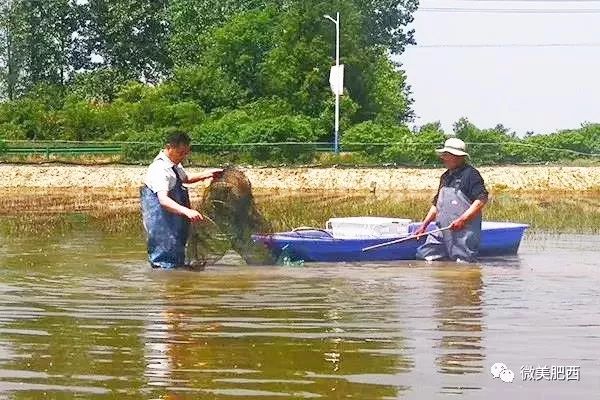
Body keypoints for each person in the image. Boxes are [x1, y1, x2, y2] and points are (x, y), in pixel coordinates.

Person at [140, 131, 222, 269]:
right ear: (169, 147)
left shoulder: (174, 164)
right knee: (164, 259)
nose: (183, 156)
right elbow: (164, 200)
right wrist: (187, 211)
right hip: (161, 221)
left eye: (186, 153)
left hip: (174, 220)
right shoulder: (160, 169)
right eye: (180, 153)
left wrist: (206, 174)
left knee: (177, 253)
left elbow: (185, 179)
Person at [415, 138, 488, 263]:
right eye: (444, 155)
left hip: (463, 231)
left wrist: (462, 220)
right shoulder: (445, 176)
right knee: (424, 256)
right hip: (441, 230)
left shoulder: (471, 175)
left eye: (447, 155)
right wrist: (424, 225)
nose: (444, 158)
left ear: (458, 157)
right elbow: (436, 204)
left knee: (463, 265)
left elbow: (481, 200)